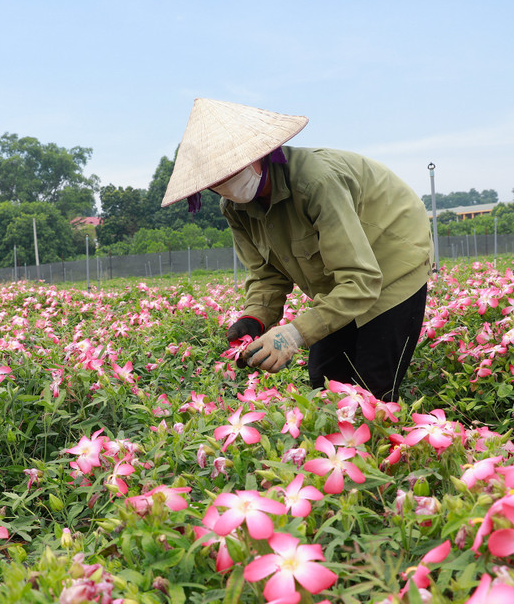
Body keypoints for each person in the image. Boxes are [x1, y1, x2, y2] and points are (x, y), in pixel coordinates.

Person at [160, 98, 433, 401]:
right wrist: (255, 318)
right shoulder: (236, 209)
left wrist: (293, 334)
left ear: (258, 155)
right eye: (215, 181)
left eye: (231, 170)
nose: (225, 185)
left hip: (392, 260)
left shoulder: (315, 182)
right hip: (341, 281)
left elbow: (361, 279)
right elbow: (266, 275)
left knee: (372, 388)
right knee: (325, 377)